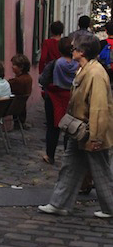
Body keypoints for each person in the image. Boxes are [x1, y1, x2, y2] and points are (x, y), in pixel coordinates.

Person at [39, 33, 113, 218]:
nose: (71, 50)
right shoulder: (85, 69)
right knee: (70, 167)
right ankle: (59, 204)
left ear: (82, 51)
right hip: (79, 130)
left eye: (74, 48)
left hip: (90, 131)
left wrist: (96, 137)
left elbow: (98, 108)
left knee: (101, 171)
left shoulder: (95, 74)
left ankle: (110, 207)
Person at [40, 37, 79, 165]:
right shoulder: (78, 65)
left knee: (52, 127)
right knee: (70, 128)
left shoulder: (55, 63)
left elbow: (43, 80)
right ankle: (69, 157)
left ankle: (50, 155)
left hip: (54, 97)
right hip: (71, 97)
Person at [8, 54, 32, 125]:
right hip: (20, 107)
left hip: (12, 106)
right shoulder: (28, 78)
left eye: (14, 65)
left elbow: (8, 85)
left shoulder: (17, 81)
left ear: (21, 67)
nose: (12, 67)